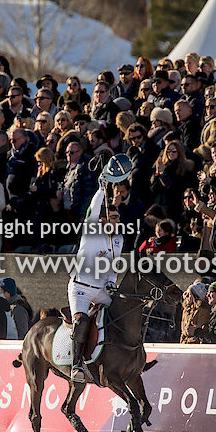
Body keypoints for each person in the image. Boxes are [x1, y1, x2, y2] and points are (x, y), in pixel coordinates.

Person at [68, 156, 130, 382]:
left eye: (118, 217)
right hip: (81, 289)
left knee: (122, 314)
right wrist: (101, 187)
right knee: (81, 321)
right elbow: (93, 209)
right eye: (112, 217)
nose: (116, 220)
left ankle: (126, 357)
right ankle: (76, 366)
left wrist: (112, 283)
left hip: (102, 290)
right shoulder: (92, 228)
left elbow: (113, 265)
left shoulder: (119, 239)